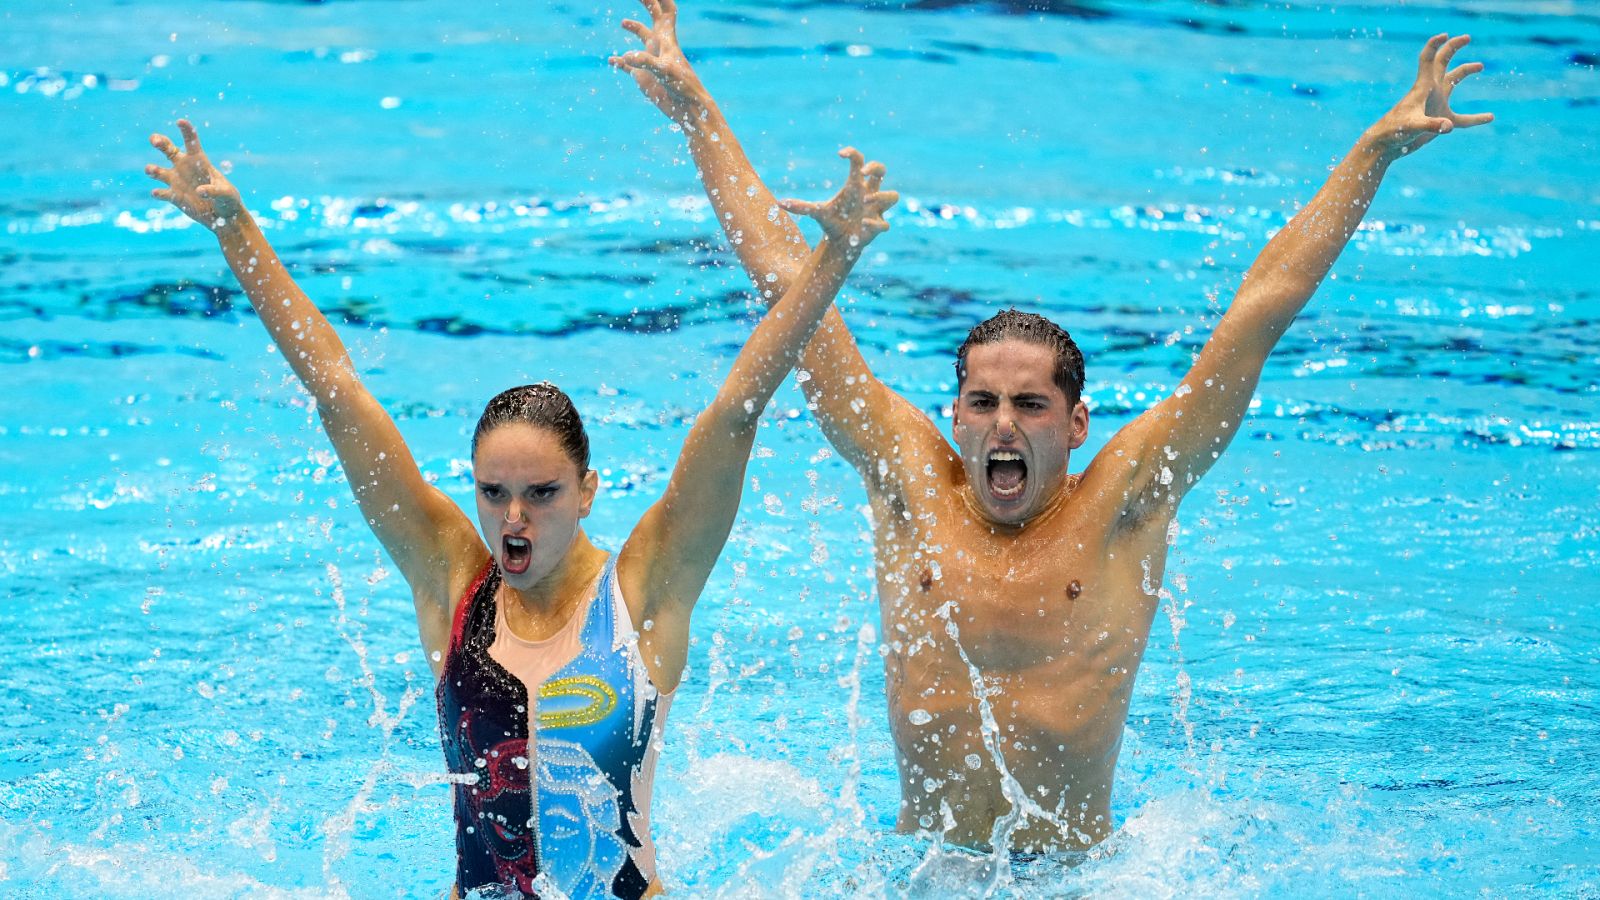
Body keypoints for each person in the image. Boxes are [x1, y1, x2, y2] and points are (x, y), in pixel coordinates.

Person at [613, 2, 1493, 854]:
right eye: (984, 405)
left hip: (1087, 879)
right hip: (924, 874)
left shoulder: (1125, 499)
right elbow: (784, 279)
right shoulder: (908, 477)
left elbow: (1258, 315)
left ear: (1075, 424)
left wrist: (1373, 154)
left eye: (1030, 406)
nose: (1003, 424)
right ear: (953, 416)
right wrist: (697, 113)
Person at [143, 119, 896, 897]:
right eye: (493, 492)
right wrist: (236, 231)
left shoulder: (642, 593)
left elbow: (738, 408)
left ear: (588, 492)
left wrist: (834, 257)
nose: (513, 518)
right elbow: (338, 393)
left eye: (542, 494)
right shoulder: (452, 587)